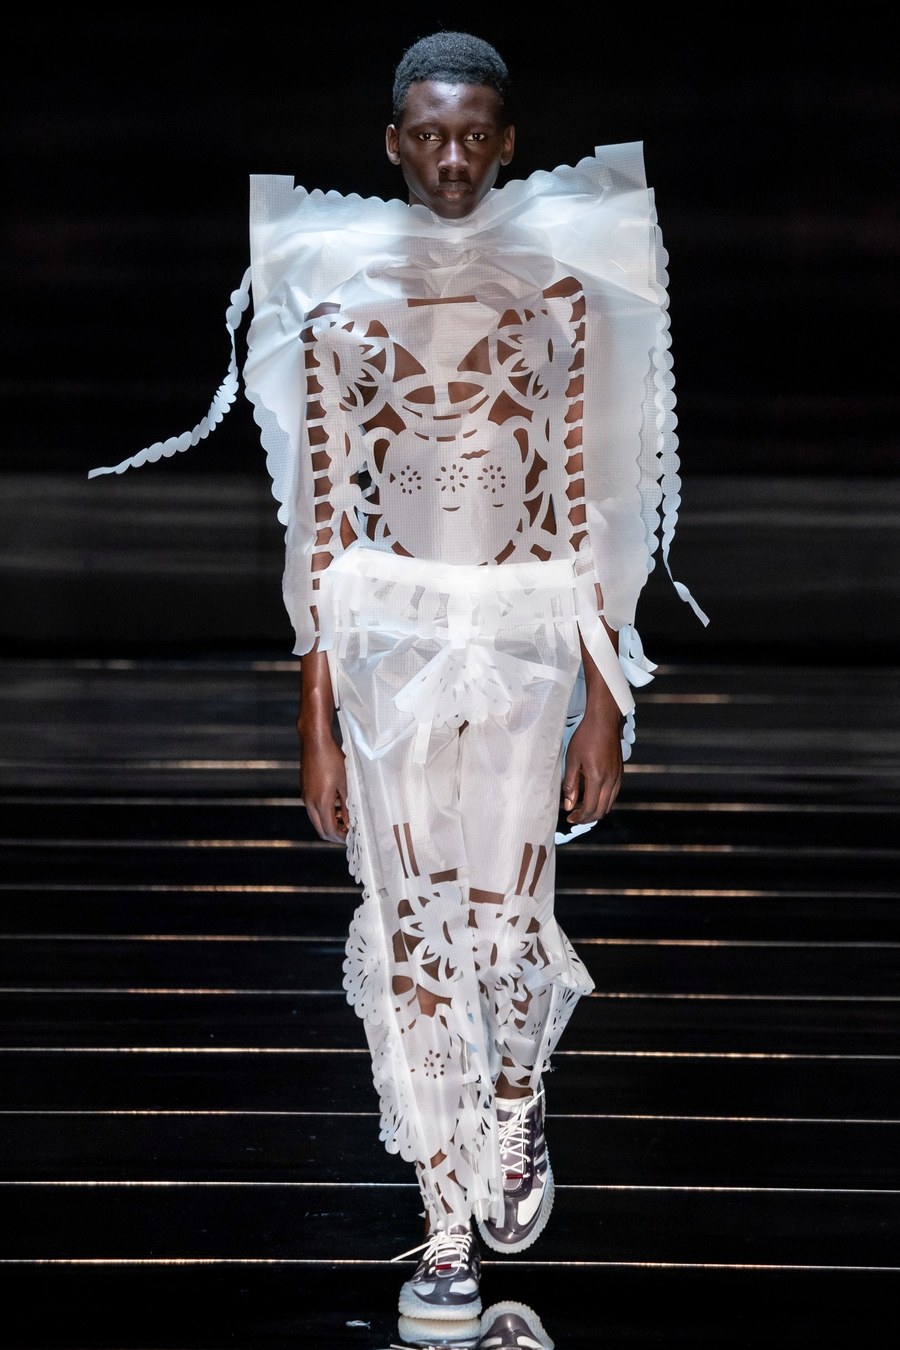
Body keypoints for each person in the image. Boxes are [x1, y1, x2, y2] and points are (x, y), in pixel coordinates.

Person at [90, 29, 706, 1326]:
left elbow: (595, 509)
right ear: (392, 142)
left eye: (474, 134)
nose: (451, 157)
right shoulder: (340, 287)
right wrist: (310, 717)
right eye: (428, 135)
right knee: (410, 930)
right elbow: (320, 526)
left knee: (505, 919)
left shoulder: (564, 291)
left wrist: (606, 700)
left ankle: (514, 1096)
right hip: (385, 644)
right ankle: (441, 1223)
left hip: (528, 640)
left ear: (507, 140)